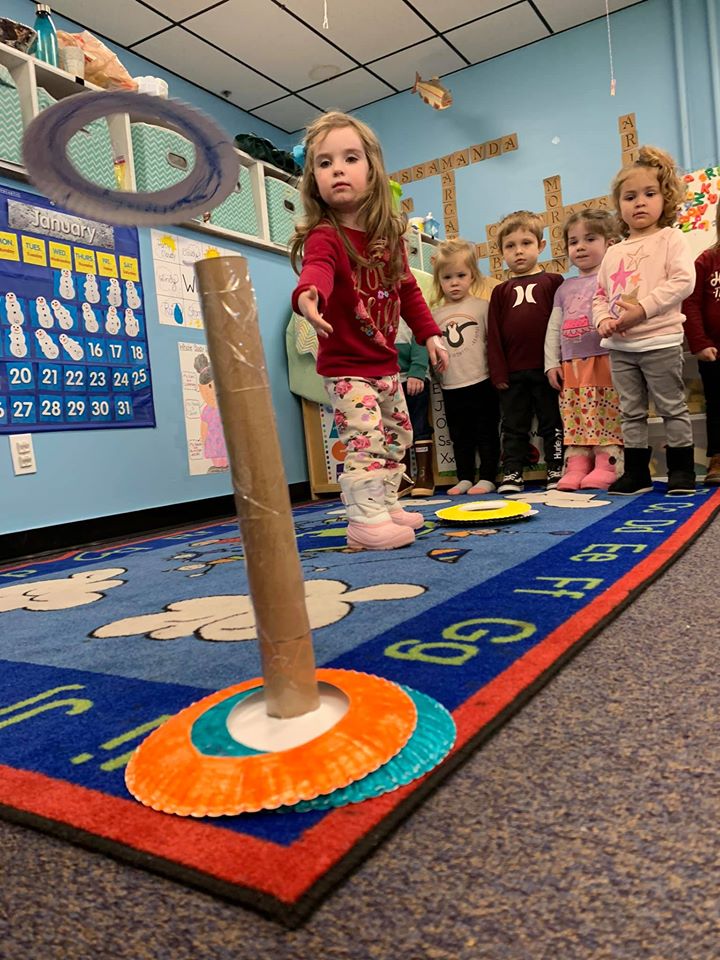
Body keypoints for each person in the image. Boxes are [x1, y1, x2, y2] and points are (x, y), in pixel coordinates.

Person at [290, 111, 448, 550]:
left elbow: (409, 290)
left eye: (350, 158)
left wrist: (430, 334)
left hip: (385, 362)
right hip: (345, 365)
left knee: (398, 435)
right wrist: (308, 296)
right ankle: (363, 518)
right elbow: (317, 269)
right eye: (324, 163)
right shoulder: (326, 235)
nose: (337, 168)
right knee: (364, 436)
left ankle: (386, 502)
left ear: (373, 170)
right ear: (314, 179)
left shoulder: (388, 238)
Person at [593, 145, 696, 495]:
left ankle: (682, 470)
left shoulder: (671, 238)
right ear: (619, 206)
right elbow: (600, 295)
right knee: (630, 411)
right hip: (621, 347)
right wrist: (603, 320)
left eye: (649, 194)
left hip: (660, 341)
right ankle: (636, 473)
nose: (639, 202)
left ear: (664, 198)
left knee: (671, 406)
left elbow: (683, 281)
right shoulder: (613, 251)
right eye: (629, 196)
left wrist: (643, 309)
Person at [544, 209, 624, 490]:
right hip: (572, 365)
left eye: (590, 239)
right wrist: (551, 363)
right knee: (575, 413)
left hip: (605, 359)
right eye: (573, 241)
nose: (579, 247)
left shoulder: (612, 279)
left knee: (605, 412)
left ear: (609, 244)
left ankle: (607, 462)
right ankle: (577, 463)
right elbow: (554, 328)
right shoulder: (564, 288)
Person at [487, 210, 565, 494]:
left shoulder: (554, 282)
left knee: (552, 421)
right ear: (501, 253)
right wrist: (498, 371)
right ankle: (512, 472)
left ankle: (557, 468)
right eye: (510, 246)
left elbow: (563, 326)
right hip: (513, 372)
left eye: (526, 243)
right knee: (513, 425)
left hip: (548, 369)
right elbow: (493, 334)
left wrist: (561, 362)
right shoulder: (500, 291)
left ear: (541, 246)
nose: (518, 251)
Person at [430, 237, 501, 494]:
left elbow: (492, 342)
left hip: (481, 380)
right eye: (448, 277)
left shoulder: (483, 307)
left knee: (486, 431)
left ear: (472, 276)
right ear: (439, 280)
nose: (455, 282)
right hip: (451, 384)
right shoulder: (434, 315)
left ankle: (489, 476)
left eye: (461, 275)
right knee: (459, 435)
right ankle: (465, 476)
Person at [682, 202, 720, 486]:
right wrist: (699, 342)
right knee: (717, 405)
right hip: (714, 352)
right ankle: (717, 457)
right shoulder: (706, 260)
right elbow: (691, 304)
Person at [396, 317, 435, 496]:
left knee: (419, 426)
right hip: (388, 381)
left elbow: (421, 341)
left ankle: (424, 476)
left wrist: (418, 372)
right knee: (395, 430)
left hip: (413, 379)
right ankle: (402, 478)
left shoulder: (408, 315)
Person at [194, 353, 228, 473]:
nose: (213, 391)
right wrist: (203, 440)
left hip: (225, 439)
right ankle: (218, 466)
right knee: (216, 455)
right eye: (209, 387)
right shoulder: (207, 411)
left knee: (225, 452)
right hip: (213, 440)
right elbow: (204, 427)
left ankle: (225, 465)